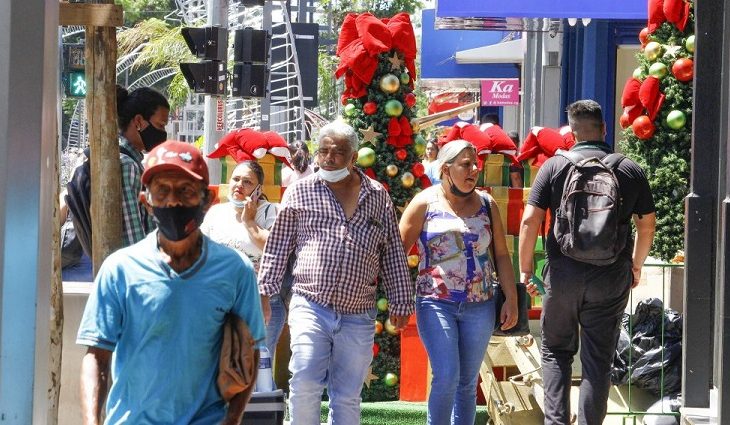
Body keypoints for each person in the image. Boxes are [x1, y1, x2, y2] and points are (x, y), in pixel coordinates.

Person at [77, 140, 265, 425]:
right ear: (146, 202)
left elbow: (250, 352)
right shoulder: (119, 269)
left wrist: (232, 419)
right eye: (162, 191)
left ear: (207, 199)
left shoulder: (236, 270)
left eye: (185, 190)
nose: (173, 201)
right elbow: (96, 356)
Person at [257, 120, 415, 424]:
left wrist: (400, 301)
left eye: (338, 152)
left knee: (346, 395)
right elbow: (277, 247)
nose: (328, 158)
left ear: (353, 158)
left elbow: (393, 251)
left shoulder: (377, 195)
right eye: (323, 151)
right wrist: (265, 293)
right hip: (310, 304)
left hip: (358, 312)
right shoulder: (300, 191)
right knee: (304, 380)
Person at [518, 100, 656, 425]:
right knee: (598, 360)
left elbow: (529, 221)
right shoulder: (629, 169)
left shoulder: (555, 167)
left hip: (562, 275)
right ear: (604, 128)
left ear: (572, 133)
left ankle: (555, 421)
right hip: (610, 275)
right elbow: (647, 225)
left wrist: (526, 270)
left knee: (555, 351)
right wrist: (636, 265)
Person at [399, 140, 518, 425]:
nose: (474, 169)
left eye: (476, 164)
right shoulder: (424, 202)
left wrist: (511, 299)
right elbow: (397, 253)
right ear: (445, 169)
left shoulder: (487, 204)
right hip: (435, 303)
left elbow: (501, 255)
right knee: (447, 375)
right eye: (466, 164)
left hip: (481, 305)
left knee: (467, 382)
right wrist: (398, 298)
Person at [201, 160, 281, 356]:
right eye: (236, 179)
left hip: (258, 302)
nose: (239, 185)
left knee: (253, 365)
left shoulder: (270, 212)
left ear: (259, 189)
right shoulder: (216, 212)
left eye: (247, 182)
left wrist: (249, 221)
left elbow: (275, 249)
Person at [116, 85, 170, 246]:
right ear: (139, 121)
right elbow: (133, 238)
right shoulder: (128, 166)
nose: (163, 133)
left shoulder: (123, 159)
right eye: (161, 125)